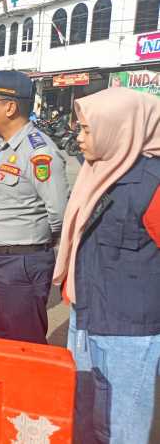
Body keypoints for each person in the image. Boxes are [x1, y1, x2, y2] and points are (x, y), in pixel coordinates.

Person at [53, 88, 160, 443]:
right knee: (82, 416)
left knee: (120, 429)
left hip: (128, 332)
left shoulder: (152, 185)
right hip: (86, 317)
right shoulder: (98, 172)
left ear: (120, 129)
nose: (79, 139)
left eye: (87, 130)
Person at [0, 70, 69, 344]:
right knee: (0, 339)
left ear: (10, 107)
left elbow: (59, 214)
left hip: (21, 262)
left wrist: (31, 242)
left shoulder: (40, 152)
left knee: (26, 343)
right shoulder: (1, 147)